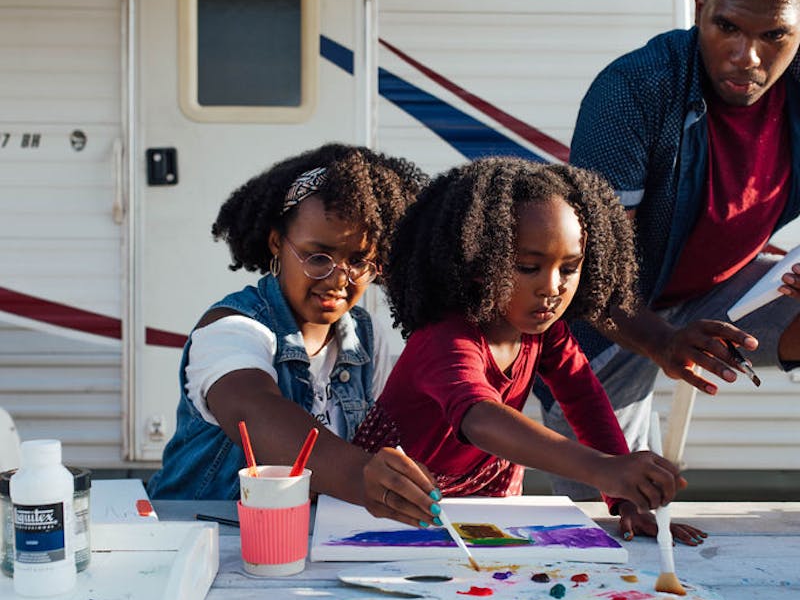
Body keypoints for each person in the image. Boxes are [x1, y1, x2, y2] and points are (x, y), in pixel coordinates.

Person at [539, 0, 800, 502]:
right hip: (613, 311)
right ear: (701, 7)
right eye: (727, 26)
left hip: (721, 291)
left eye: (774, 37)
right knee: (611, 509)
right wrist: (662, 341)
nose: (747, 57)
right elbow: (591, 277)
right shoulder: (635, 88)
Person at [352, 157, 702, 544]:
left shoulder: (545, 331)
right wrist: (605, 469)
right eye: (528, 267)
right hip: (395, 506)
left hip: (486, 503)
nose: (552, 288)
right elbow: (480, 418)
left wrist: (624, 497)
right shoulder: (444, 337)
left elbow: (584, 398)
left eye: (569, 268)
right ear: (478, 263)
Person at [147, 143, 440, 528]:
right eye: (318, 256)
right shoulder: (231, 328)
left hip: (302, 547)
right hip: (200, 543)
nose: (338, 279)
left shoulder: (367, 336)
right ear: (276, 244)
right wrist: (361, 475)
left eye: (358, 261)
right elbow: (253, 410)